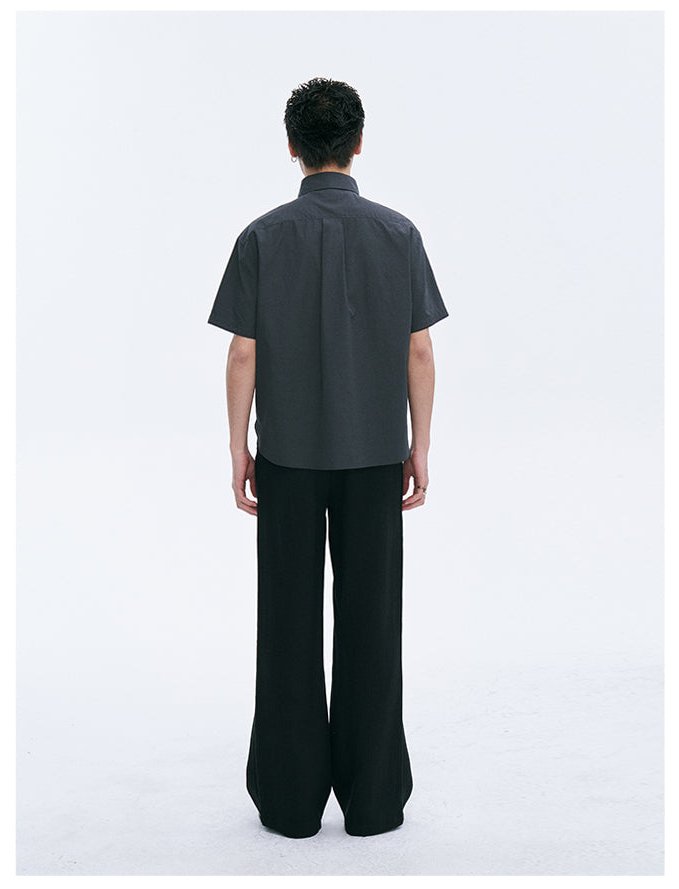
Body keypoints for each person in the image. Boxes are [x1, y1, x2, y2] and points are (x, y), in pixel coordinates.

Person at [207, 76, 448, 839]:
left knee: (287, 622)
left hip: (288, 457)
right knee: (373, 623)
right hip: (375, 457)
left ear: (292, 147)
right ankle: (374, 802)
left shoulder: (261, 236)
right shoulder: (399, 234)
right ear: (359, 142)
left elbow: (243, 353)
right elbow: (419, 350)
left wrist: (239, 448)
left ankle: (289, 801)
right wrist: (419, 445)